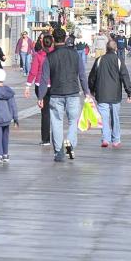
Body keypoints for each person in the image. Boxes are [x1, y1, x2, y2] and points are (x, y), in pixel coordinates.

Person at [38, 27, 88, 163]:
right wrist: (87, 92)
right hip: (73, 92)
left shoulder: (49, 57)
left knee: (56, 122)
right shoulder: (75, 54)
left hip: (56, 94)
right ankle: (70, 143)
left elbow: (44, 79)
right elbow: (82, 75)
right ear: (65, 38)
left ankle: (59, 152)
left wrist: (41, 96)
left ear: (53, 39)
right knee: (73, 121)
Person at [88, 37, 131, 148]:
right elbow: (125, 76)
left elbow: (92, 77)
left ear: (106, 48)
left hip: (102, 93)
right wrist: (129, 93)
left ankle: (105, 139)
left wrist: (92, 90)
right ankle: (116, 140)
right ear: (115, 48)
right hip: (115, 94)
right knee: (115, 118)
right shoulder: (118, 60)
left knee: (104, 118)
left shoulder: (99, 60)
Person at [25, 33, 51, 146]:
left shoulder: (39, 55)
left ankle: (46, 139)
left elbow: (33, 71)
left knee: (45, 113)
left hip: (40, 85)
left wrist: (27, 86)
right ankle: (56, 137)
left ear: (42, 42)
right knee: (54, 112)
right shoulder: (54, 55)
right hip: (54, 85)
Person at [0, 68, 18, 164]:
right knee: (5, 136)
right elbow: (13, 105)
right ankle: (5, 154)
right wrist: (16, 118)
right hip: (7, 117)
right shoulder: (8, 91)